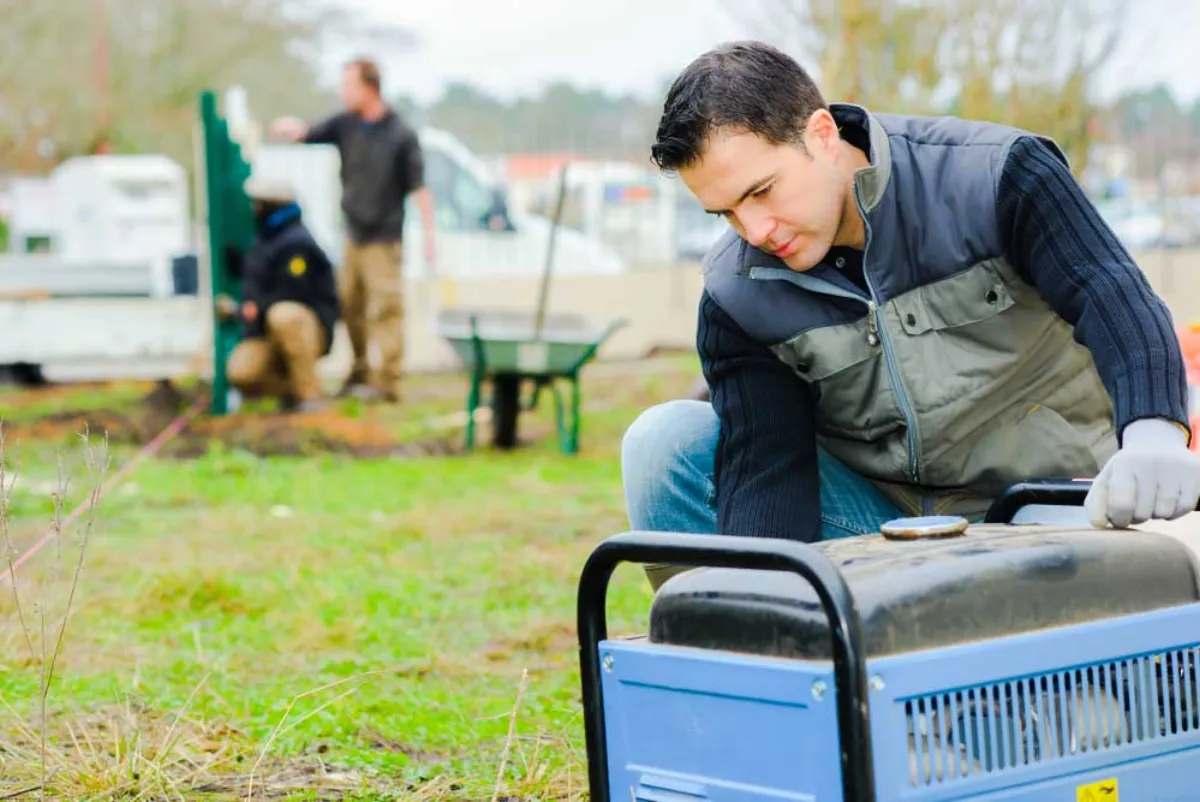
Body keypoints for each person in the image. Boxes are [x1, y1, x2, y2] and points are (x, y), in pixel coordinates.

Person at [623, 40, 1200, 589]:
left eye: (762, 192)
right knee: (664, 442)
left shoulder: (999, 177)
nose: (755, 231)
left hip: (1049, 509)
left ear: (821, 134)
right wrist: (772, 614)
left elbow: (1116, 298)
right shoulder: (736, 290)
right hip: (882, 528)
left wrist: (1153, 438)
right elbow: (769, 470)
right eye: (725, 213)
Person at [269, 57, 437, 403]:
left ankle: (387, 381)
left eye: (349, 86)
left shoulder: (401, 134)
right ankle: (359, 371)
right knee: (352, 307)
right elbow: (311, 132)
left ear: (369, 88)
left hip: (384, 239)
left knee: (385, 309)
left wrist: (431, 237)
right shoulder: (346, 124)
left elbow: (419, 188)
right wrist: (293, 129)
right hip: (353, 235)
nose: (343, 93)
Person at [225, 177, 340, 413]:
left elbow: (292, 292)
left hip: (304, 329)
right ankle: (292, 390)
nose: (254, 210)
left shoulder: (297, 243)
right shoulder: (267, 239)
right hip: (268, 331)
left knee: (283, 314)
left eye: (258, 204)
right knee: (242, 372)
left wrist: (244, 311)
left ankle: (311, 397)